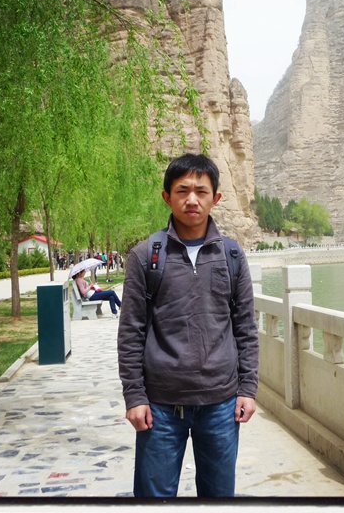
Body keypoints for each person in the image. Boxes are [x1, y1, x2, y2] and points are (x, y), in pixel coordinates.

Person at [117, 153, 259, 498]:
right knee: (154, 498)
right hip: (160, 405)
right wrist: (134, 396)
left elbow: (245, 328)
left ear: (216, 198)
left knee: (218, 497)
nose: (192, 200)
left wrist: (248, 388)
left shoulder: (232, 256)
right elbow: (131, 331)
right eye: (182, 191)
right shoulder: (145, 256)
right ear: (167, 197)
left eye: (201, 191)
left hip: (221, 403)